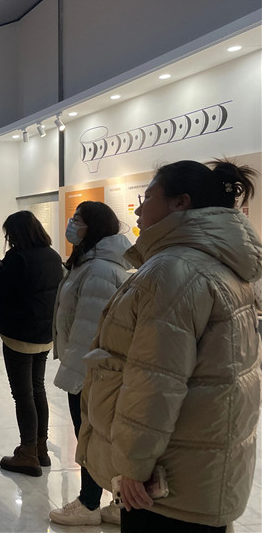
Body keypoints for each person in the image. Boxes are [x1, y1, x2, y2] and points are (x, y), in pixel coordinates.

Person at [77, 159, 262, 532]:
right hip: (202, 470)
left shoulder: (173, 271)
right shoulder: (221, 264)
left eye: (148, 198)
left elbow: (155, 382)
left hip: (166, 484)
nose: (138, 209)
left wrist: (133, 466)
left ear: (180, 202)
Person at [48, 202, 131, 526]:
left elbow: (88, 331)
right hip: (92, 369)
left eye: (78, 220)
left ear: (93, 227)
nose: (72, 224)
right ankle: (117, 504)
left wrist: (76, 375)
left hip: (92, 372)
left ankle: (89, 503)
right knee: (97, 435)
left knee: (90, 435)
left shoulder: (99, 269)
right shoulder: (91, 263)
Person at [0, 211, 63, 476]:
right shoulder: (52, 255)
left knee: (23, 394)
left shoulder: (19, 258)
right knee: (37, 388)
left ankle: (27, 453)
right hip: (44, 333)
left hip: (20, 334)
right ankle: (41, 448)